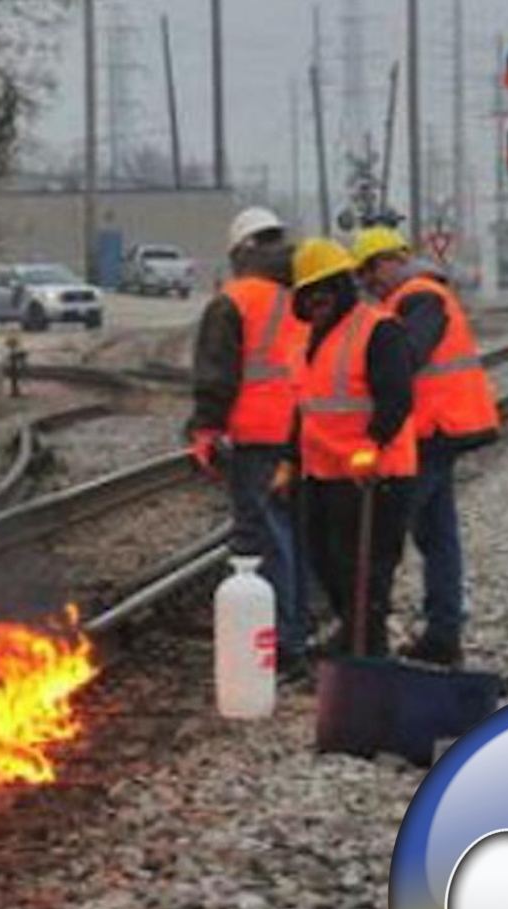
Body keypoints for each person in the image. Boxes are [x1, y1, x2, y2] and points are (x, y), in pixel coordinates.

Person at [353, 228, 502, 667]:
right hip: (440, 429)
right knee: (437, 537)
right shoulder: (417, 296)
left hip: (433, 430)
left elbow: (405, 358)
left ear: (388, 260)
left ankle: (366, 636)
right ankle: (443, 634)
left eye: (368, 273)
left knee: (387, 533)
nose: (367, 284)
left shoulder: (419, 296)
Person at [185, 207, 313, 681]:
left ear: (241, 251)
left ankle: (280, 645)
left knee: (266, 542)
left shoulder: (234, 301)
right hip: (303, 436)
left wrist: (205, 430)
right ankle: (296, 634)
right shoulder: (300, 293)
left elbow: (217, 375)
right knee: (296, 540)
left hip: (257, 437)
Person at [290, 237, 419, 658]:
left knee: (367, 570)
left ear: (342, 288)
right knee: (327, 563)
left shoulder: (379, 329)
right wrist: (291, 461)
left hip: (374, 476)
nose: (317, 301)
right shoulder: (315, 340)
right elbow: (309, 409)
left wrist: (372, 446)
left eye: (325, 290)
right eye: (309, 294)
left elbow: (396, 398)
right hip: (324, 474)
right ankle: (354, 636)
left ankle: (369, 653)